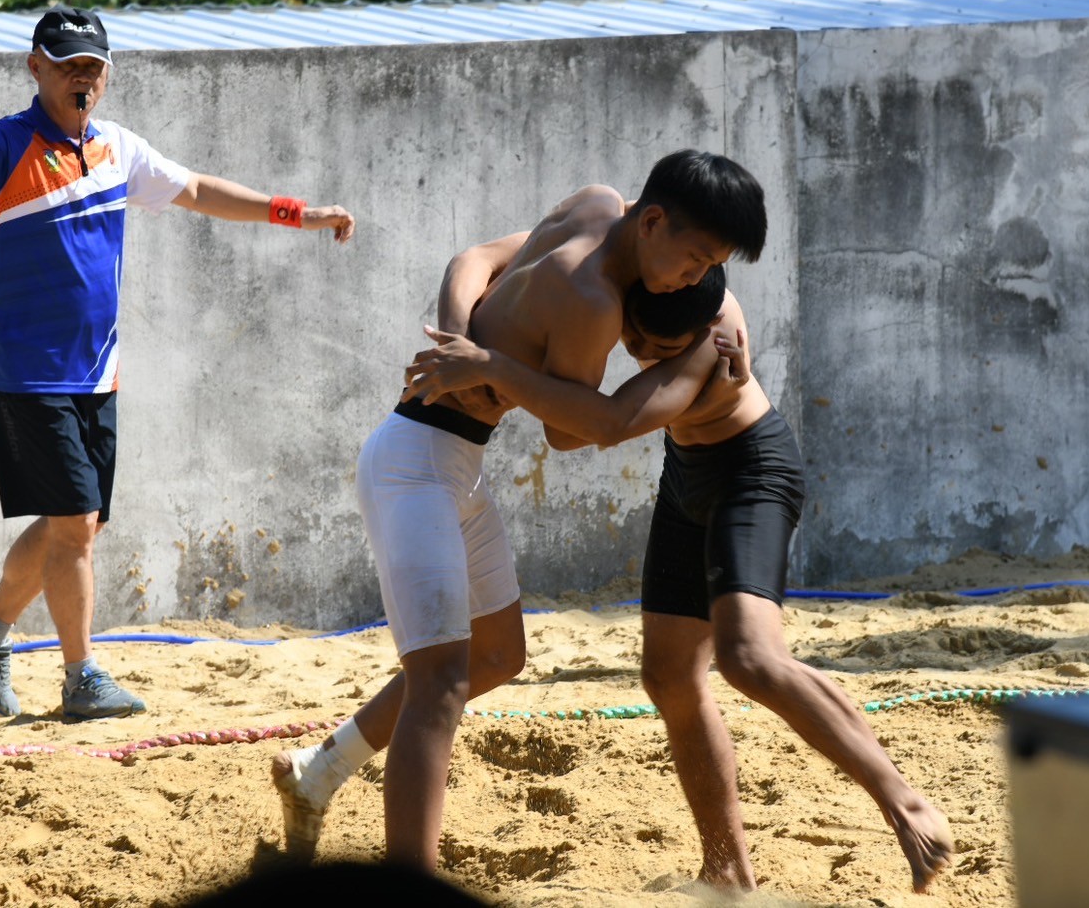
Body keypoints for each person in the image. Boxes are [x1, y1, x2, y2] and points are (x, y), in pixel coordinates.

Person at [272, 150, 768, 871]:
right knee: (440, 682)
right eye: (694, 260)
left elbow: (472, 258)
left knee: (499, 655)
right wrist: (491, 364)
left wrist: (460, 341)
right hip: (415, 462)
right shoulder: (596, 301)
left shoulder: (596, 200)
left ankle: (316, 772)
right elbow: (571, 433)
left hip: (449, 460)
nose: (694, 279)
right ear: (653, 222)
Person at [398, 271, 955, 895]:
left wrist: (493, 368)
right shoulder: (635, 270)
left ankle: (904, 802)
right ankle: (726, 866)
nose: (642, 354)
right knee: (669, 677)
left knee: (750, 658)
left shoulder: (712, 339)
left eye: (660, 349)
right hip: (685, 473)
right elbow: (482, 257)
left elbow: (593, 427)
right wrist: (461, 339)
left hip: (751, 474)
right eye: (636, 340)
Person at [0, 7, 355, 722]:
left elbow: (197, 190)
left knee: (76, 524)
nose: (83, 77)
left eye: (93, 67)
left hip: (97, 372)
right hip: (28, 373)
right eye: (68, 64)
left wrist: (297, 212)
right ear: (35, 67)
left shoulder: (117, 148)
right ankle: (81, 678)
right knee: (74, 523)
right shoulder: (6, 142)